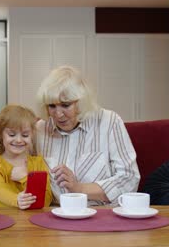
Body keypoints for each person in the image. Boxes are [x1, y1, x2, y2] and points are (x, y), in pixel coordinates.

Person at [35, 65, 140, 206]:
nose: (58, 114)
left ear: (82, 101)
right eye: (52, 106)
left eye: (65, 105)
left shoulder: (109, 121)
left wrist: (79, 188)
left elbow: (129, 179)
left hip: (100, 217)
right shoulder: (40, 129)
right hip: (53, 216)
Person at [0, 105, 52, 209]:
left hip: (31, 220)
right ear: (1, 133)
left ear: (32, 135)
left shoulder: (38, 163)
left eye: (25, 135)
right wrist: (17, 200)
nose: (19, 140)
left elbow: (46, 199)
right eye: (12, 135)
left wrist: (25, 177)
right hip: (3, 217)